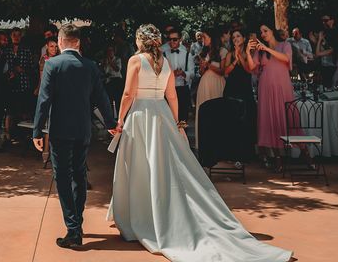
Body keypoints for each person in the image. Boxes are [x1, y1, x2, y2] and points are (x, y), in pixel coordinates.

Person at [108, 24, 292, 262]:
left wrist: (120, 120)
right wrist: (177, 124)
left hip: (142, 116)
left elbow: (127, 94)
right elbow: (172, 95)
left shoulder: (135, 60)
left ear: (140, 41)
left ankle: (141, 216)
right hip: (162, 115)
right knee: (164, 167)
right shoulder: (164, 62)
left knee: (141, 165)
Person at [32, 24, 116, 249]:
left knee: (62, 177)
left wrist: (37, 130)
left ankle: (73, 230)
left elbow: (44, 99)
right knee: (79, 174)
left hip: (60, 130)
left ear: (60, 42)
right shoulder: (90, 66)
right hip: (83, 129)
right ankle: (76, 223)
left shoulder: (52, 64)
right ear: (77, 42)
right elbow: (102, 97)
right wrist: (111, 123)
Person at [247, 25, 302, 173]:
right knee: (271, 120)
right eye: (261, 32)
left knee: (289, 117)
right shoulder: (261, 50)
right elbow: (252, 66)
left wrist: (266, 49)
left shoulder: (285, 45)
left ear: (272, 31)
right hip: (266, 88)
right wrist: (248, 51)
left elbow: (285, 59)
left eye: (265, 31)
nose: (263, 34)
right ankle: (278, 158)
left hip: (282, 87)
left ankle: (306, 154)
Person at [221, 30, 257, 163]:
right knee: (232, 120)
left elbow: (249, 69)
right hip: (232, 89)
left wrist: (240, 56)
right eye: (233, 37)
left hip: (245, 90)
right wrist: (235, 60)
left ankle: (246, 155)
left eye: (238, 36)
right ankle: (232, 154)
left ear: (243, 38)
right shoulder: (230, 54)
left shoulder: (250, 52)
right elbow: (226, 72)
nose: (235, 38)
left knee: (246, 120)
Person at [194, 29, 226, 146]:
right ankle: (205, 144)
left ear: (212, 38)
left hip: (217, 83)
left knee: (217, 114)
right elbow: (201, 73)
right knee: (204, 113)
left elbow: (222, 71)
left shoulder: (222, 51)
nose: (203, 40)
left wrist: (209, 65)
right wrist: (202, 67)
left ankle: (218, 144)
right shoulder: (204, 52)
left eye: (205, 38)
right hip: (205, 84)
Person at [2, 28, 35, 137]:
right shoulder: (5, 51)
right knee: (10, 112)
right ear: (10, 36)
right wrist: (8, 74)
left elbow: (33, 68)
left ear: (21, 36)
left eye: (18, 35)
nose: (16, 37)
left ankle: (24, 135)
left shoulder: (26, 50)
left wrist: (23, 70)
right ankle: (8, 136)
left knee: (25, 111)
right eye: (14, 35)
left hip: (24, 84)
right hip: (9, 85)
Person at [162, 29, 194, 124]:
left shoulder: (187, 55)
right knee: (169, 120)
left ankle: (183, 138)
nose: (172, 42)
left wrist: (183, 73)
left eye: (174, 39)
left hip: (183, 90)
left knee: (183, 120)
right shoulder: (163, 54)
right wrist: (172, 74)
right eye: (170, 39)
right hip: (168, 90)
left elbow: (192, 74)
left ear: (180, 39)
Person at [100, 45, 123, 118]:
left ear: (114, 51)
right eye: (108, 51)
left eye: (111, 50)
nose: (110, 52)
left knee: (117, 100)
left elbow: (117, 69)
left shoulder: (117, 59)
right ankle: (111, 118)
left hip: (116, 80)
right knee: (109, 101)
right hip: (108, 81)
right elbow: (104, 71)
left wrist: (110, 62)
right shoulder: (105, 60)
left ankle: (120, 118)